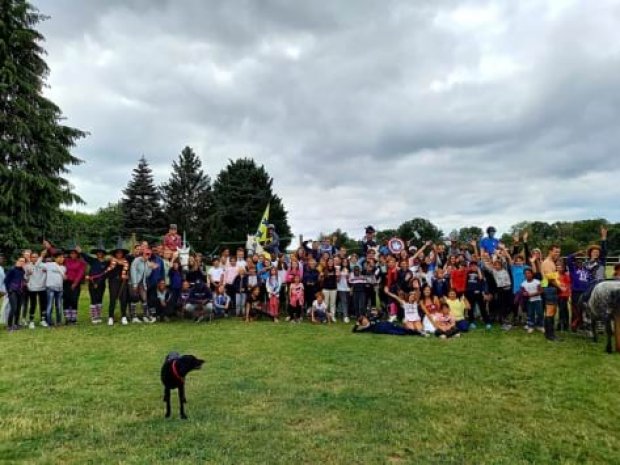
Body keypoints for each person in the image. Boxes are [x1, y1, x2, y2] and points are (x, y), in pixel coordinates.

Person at [78, 243, 108, 324]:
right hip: (92, 283)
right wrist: (80, 252)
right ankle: (94, 317)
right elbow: (86, 257)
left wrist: (98, 283)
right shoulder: (93, 261)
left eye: (101, 252)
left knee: (99, 299)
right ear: (96, 253)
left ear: (103, 254)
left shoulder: (106, 263)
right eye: (98, 252)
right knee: (93, 299)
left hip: (101, 284)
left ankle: (98, 316)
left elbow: (105, 275)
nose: (99, 254)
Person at [105, 241, 130, 326]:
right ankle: (111, 317)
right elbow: (107, 271)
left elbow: (127, 272)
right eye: (117, 253)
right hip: (113, 282)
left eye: (120, 253)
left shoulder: (126, 262)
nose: (119, 254)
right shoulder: (111, 261)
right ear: (115, 254)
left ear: (123, 254)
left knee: (123, 299)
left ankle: (123, 316)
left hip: (123, 282)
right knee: (113, 299)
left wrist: (127, 276)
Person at [541, 245, 563, 341]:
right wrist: (560, 287)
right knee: (550, 311)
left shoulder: (552, 262)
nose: (557, 254)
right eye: (556, 251)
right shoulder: (547, 263)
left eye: (559, 252)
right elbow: (551, 279)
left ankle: (549, 333)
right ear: (550, 251)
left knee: (552, 311)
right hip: (550, 288)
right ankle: (550, 335)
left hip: (551, 288)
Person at [130, 247, 156, 324]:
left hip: (142, 283)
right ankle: (134, 317)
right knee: (134, 298)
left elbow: (147, 275)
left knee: (144, 299)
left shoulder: (147, 262)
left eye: (149, 254)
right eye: (146, 254)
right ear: (143, 254)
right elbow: (133, 271)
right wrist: (135, 284)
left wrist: (151, 268)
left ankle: (145, 316)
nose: (147, 255)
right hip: (135, 282)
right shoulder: (137, 260)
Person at [63, 246, 86, 325]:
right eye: (71, 253)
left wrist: (75, 283)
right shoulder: (66, 261)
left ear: (77, 254)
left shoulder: (81, 262)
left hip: (75, 283)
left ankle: (73, 319)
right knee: (66, 300)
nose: (73, 255)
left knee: (74, 300)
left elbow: (80, 273)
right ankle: (67, 318)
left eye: (74, 253)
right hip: (66, 283)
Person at [25, 251, 48, 329]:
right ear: (31, 258)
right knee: (33, 305)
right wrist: (28, 274)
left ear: (38, 258)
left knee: (43, 304)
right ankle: (31, 321)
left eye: (36, 257)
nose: (34, 258)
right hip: (32, 288)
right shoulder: (28, 266)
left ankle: (43, 320)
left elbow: (38, 266)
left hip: (42, 288)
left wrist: (42, 256)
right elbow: (25, 278)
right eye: (33, 257)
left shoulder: (43, 265)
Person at [4, 256, 26, 331]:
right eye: (20, 261)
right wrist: (9, 290)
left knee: (19, 309)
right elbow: (6, 281)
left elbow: (21, 280)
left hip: (20, 291)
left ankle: (16, 324)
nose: (22, 262)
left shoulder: (23, 271)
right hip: (12, 291)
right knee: (13, 308)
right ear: (17, 261)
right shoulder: (12, 269)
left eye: (23, 261)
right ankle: (9, 325)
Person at [45, 251, 66, 326]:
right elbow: (39, 265)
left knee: (59, 305)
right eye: (60, 257)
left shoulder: (63, 268)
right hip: (50, 288)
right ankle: (49, 321)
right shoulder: (49, 265)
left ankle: (59, 321)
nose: (62, 259)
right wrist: (41, 256)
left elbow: (63, 278)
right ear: (55, 258)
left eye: (63, 257)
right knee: (50, 305)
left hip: (60, 289)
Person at [352, 314, 421, 335]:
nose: (365, 321)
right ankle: (415, 333)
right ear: (362, 323)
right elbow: (354, 331)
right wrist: (357, 325)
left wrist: (376, 313)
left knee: (402, 328)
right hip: (386, 330)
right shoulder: (366, 329)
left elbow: (380, 315)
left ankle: (417, 332)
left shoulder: (372, 319)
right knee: (400, 333)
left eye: (365, 319)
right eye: (363, 321)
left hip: (388, 324)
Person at [521, 267, 543, 334]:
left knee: (539, 313)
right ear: (524, 275)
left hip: (537, 300)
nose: (527, 275)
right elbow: (523, 292)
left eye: (529, 273)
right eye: (526, 273)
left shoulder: (537, 282)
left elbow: (541, 291)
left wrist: (532, 294)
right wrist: (524, 293)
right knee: (530, 314)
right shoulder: (523, 283)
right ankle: (531, 326)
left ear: (532, 274)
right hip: (529, 301)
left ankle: (540, 326)